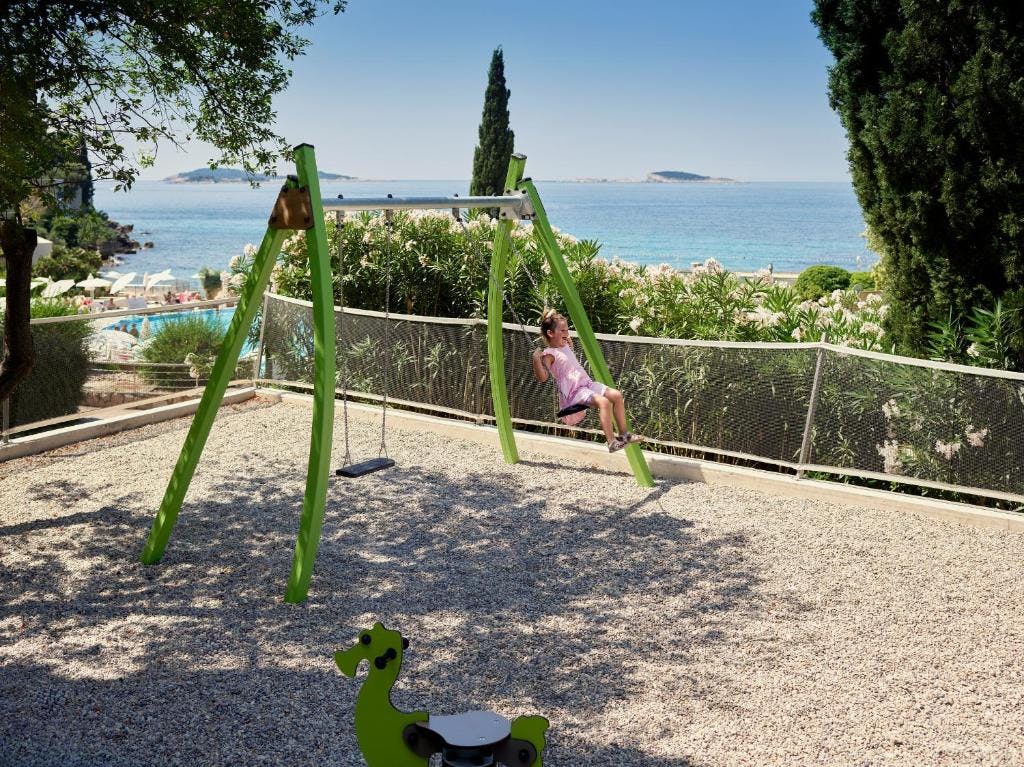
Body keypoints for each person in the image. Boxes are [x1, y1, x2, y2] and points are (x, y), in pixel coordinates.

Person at [532, 309, 643, 453]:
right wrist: (536, 360)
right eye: (563, 331)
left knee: (617, 395)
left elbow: (561, 340)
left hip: (587, 385)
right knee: (604, 402)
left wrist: (552, 319)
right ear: (550, 333)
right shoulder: (549, 354)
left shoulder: (565, 345)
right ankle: (611, 442)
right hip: (574, 393)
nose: (567, 333)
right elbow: (542, 377)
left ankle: (624, 434)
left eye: (567, 330)